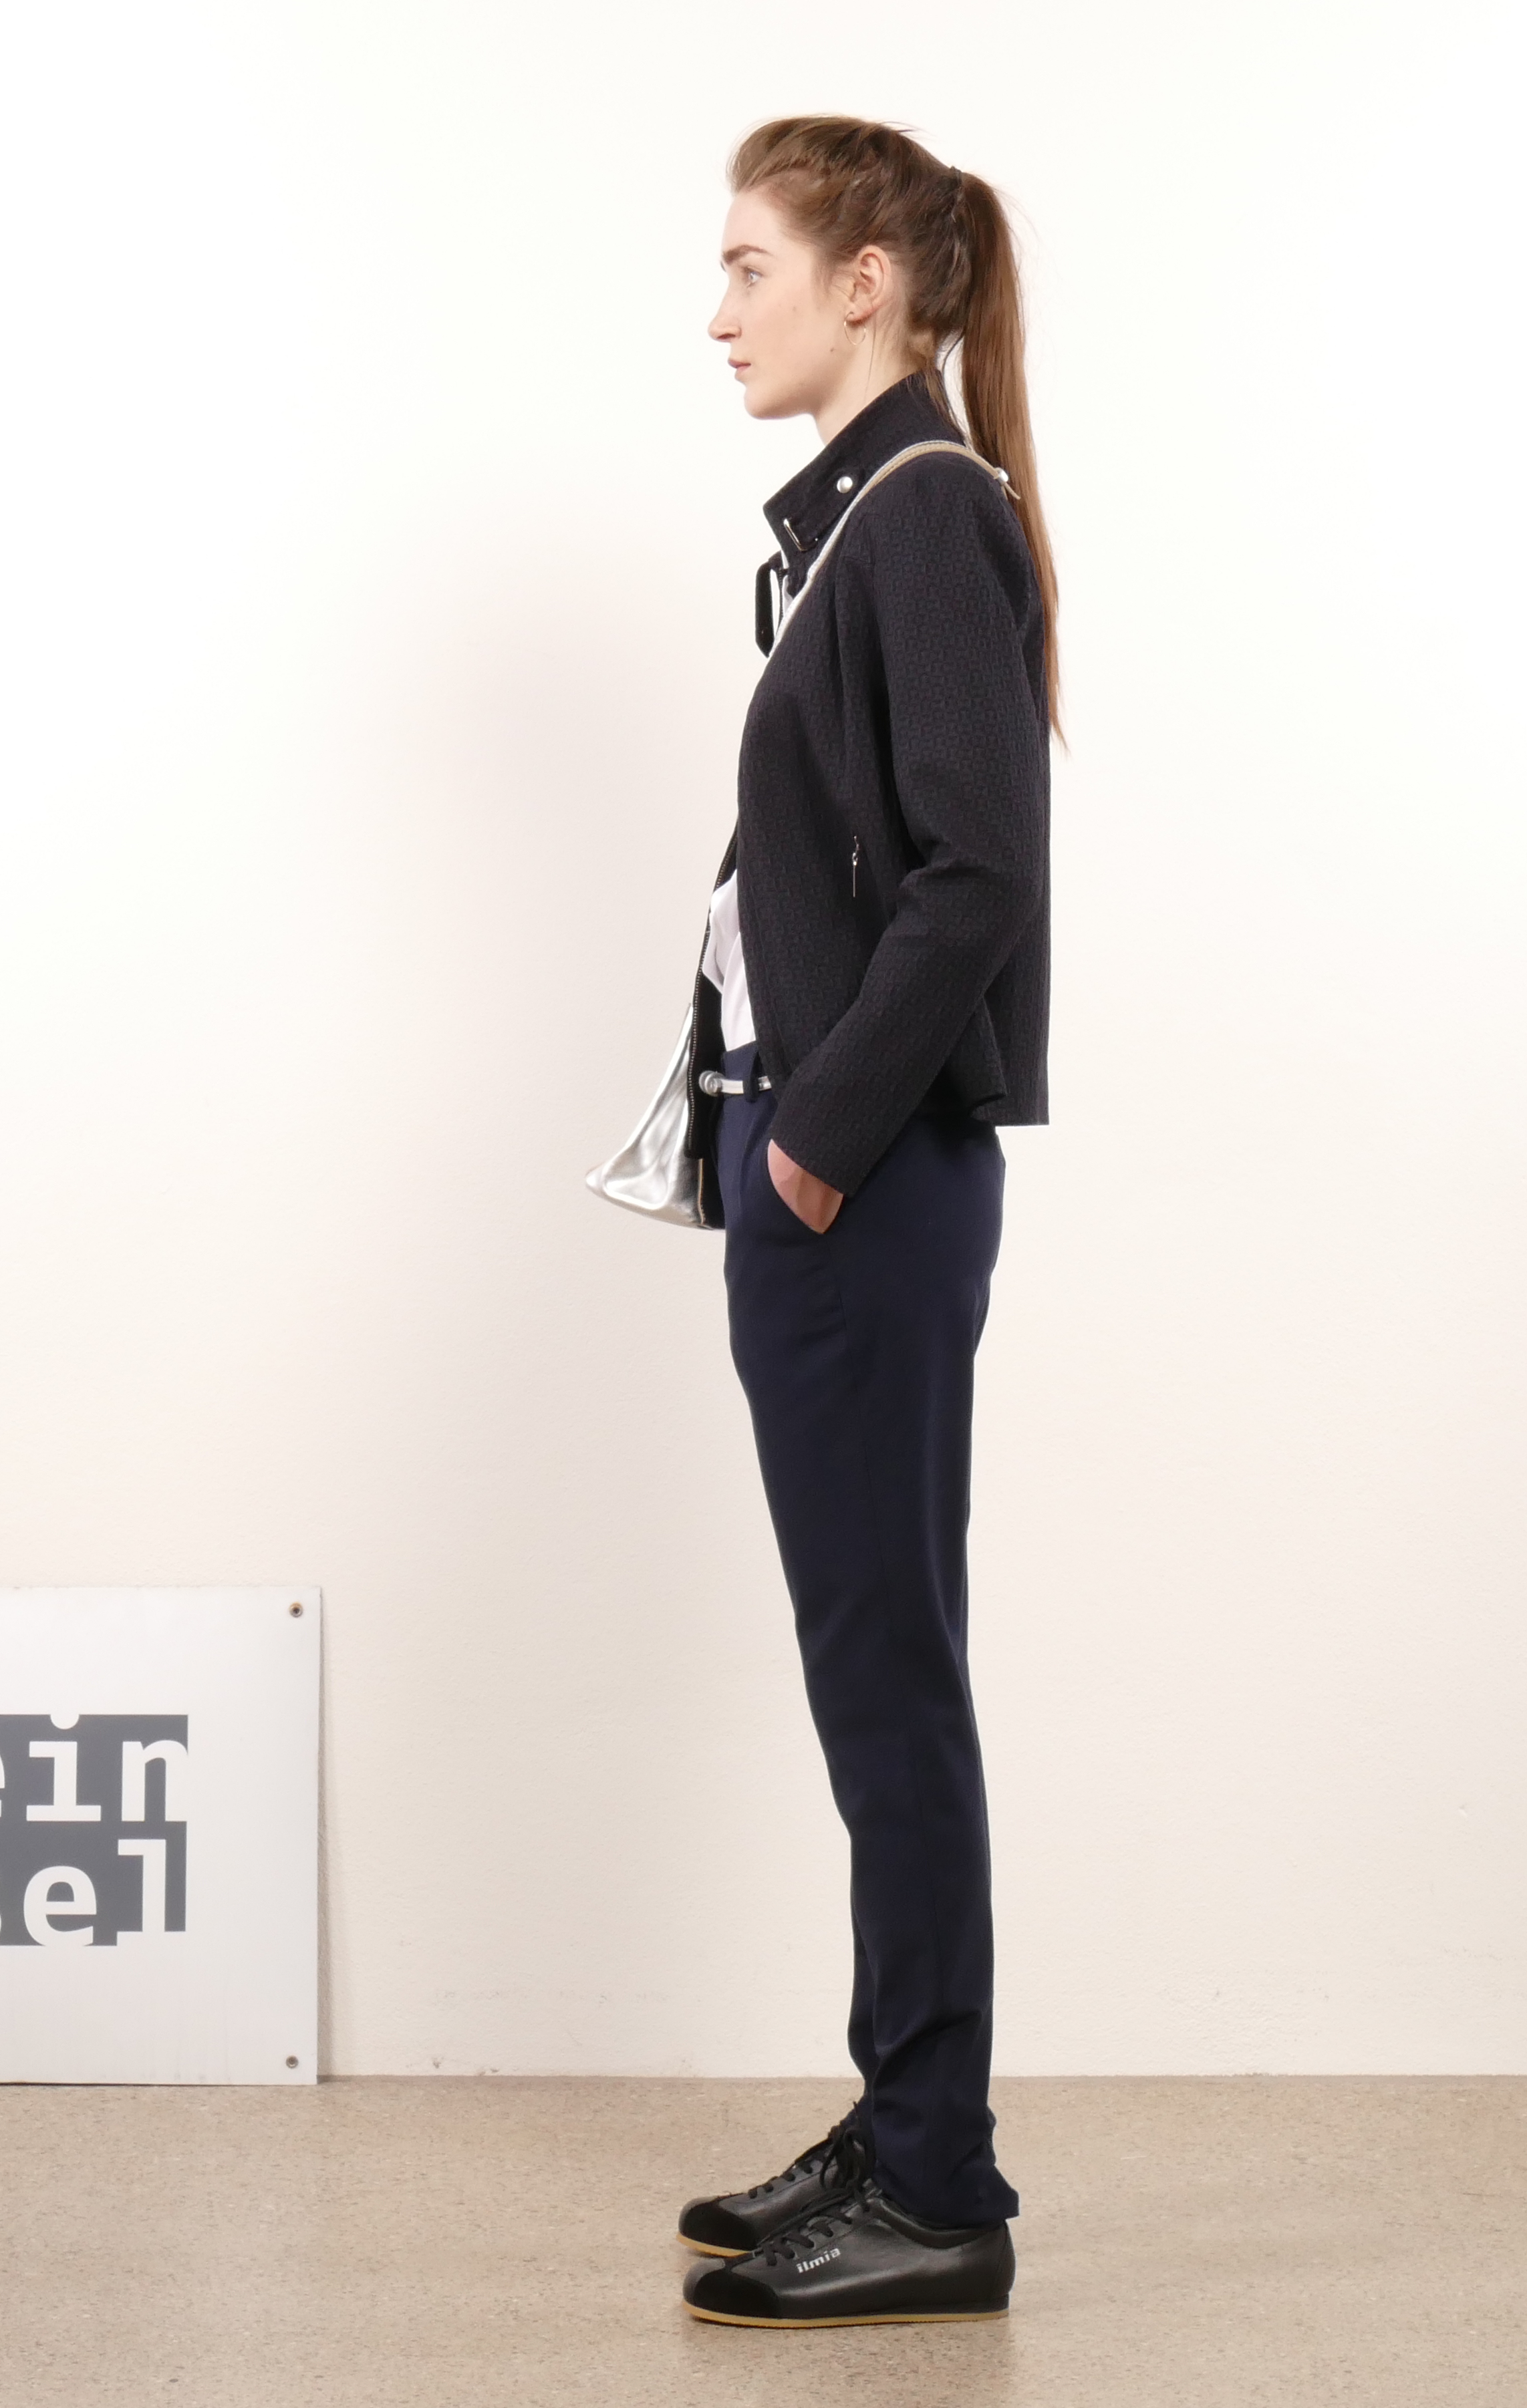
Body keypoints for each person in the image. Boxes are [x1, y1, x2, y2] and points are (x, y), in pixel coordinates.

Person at [672, 116, 1058, 2330]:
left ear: (868, 286)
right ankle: (901, 2114)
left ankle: (937, 2183)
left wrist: (811, 1144)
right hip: (833, 1173)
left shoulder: (924, 514)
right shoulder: (875, 518)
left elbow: (978, 871)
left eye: (750, 266)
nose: (717, 312)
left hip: (867, 1182)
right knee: (872, 1671)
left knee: (889, 1679)